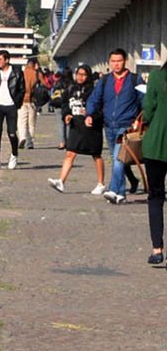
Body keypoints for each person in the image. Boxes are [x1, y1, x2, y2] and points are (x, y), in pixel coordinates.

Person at [86, 48, 144, 203]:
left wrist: (141, 120)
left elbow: (144, 100)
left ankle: (112, 190)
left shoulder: (135, 79)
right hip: (109, 125)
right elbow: (94, 99)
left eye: (119, 61)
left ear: (125, 61)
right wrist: (90, 114)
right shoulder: (104, 81)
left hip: (126, 126)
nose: (116, 64)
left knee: (118, 160)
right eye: (113, 61)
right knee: (116, 158)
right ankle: (120, 194)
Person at [48, 64, 105, 195]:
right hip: (76, 125)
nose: (80, 77)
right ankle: (61, 181)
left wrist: (92, 116)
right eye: (79, 74)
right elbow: (65, 104)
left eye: (84, 75)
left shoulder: (94, 91)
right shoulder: (71, 88)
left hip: (91, 127)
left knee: (96, 155)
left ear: (88, 76)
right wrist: (66, 115)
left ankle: (101, 183)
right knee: (70, 153)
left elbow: (101, 108)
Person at [141, 57, 167, 266]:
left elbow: (148, 110)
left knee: (156, 197)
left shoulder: (157, 77)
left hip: (156, 145)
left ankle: (157, 248)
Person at [18, 58, 40, 150]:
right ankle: (30, 142)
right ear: (34, 64)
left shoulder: (21, 73)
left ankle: (22, 138)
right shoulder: (36, 74)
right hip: (32, 101)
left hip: (22, 101)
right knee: (31, 123)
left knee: (22, 121)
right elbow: (44, 84)